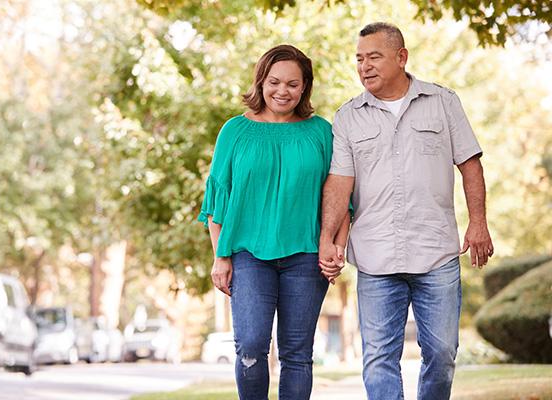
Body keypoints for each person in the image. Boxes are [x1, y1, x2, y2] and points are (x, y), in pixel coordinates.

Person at [318, 22, 493, 400]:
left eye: (374, 57)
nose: (364, 66)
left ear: (401, 57)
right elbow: (339, 182)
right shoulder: (348, 116)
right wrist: (327, 239)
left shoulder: (443, 102)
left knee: (442, 354)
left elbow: (470, 164)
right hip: (376, 255)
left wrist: (478, 223)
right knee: (378, 357)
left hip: (437, 252)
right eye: (359, 59)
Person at [198, 44, 350, 400]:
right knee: (250, 345)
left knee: (297, 355)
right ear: (261, 82)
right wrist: (220, 256)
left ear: (305, 87)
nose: (283, 91)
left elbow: (342, 197)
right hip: (248, 254)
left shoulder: (321, 133)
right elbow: (217, 197)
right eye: (275, 82)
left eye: (293, 84)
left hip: (306, 256)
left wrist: (337, 246)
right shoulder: (234, 131)